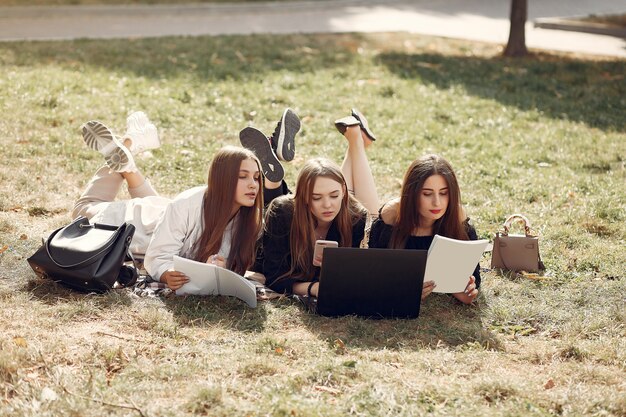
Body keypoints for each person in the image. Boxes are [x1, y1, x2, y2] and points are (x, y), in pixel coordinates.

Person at [73, 112, 263, 291]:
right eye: (243, 177)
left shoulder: (249, 220)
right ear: (223, 178)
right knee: (82, 209)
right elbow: (158, 257)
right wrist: (166, 274)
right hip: (137, 224)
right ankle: (128, 146)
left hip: (163, 213)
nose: (253, 185)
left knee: (167, 208)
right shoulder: (188, 204)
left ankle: (129, 153)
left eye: (256, 178)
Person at [242, 108, 380, 297]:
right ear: (304, 198)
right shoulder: (283, 213)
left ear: (343, 193)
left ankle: (355, 138)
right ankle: (355, 138)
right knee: (276, 202)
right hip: (278, 215)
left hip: (347, 206)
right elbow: (274, 276)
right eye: (316, 198)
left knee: (369, 212)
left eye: (334, 196)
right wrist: (312, 288)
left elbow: (350, 276)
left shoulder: (355, 216)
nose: (327, 205)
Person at [368, 154, 481, 304]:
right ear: (412, 194)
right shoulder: (391, 219)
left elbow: (473, 276)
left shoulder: (458, 219)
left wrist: (464, 291)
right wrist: (403, 291)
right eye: (427, 194)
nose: (437, 202)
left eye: (444, 193)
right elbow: (375, 276)